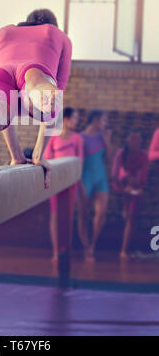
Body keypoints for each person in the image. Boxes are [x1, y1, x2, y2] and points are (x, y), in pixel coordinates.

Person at [0, 8, 72, 188]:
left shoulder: (0, 35)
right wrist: (38, 156)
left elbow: (4, 92)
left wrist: (16, 156)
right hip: (35, 71)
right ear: (53, 24)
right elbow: (58, 94)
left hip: (0, 74)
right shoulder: (57, 34)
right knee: (44, 95)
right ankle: (39, 90)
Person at [44, 107, 83, 261]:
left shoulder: (77, 138)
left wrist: (77, 179)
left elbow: (80, 160)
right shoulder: (53, 137)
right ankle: (55, 251)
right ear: (65, 119)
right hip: (56, 181)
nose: (76, 121)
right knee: (55, 216)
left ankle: (66, 250)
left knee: (68, 216)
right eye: (74, 118)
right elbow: (47, 158)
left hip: (71, 182)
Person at [77, 110, 112, 261]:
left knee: (101, 212)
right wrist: (79, 182)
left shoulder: (102, 136)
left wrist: (107, 141)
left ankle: (92, 245)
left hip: (101, 178)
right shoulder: (80, 137)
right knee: (83, 214)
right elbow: (77, 161)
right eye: (104, 120)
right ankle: (86, 247)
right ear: (96, 120)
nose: (106, 124)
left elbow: (109, 159)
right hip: (85, 178)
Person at [111, 128, 149, 261]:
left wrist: (138, 187)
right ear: (127, 140)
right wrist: (124, 187)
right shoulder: (121, 154)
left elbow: (143, 176)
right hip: (121, 187)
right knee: (128, 215)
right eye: (133, 138)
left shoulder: (143, 155)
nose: (135, 141)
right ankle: (123, 249)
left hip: (135, 189)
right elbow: (115, 175)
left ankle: (124, 250)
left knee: (131, 217)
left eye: (138, 139)